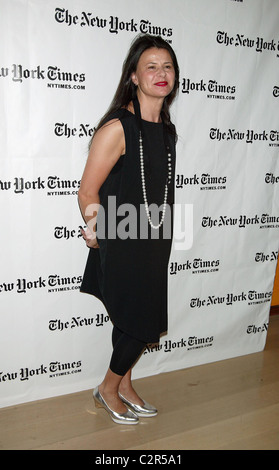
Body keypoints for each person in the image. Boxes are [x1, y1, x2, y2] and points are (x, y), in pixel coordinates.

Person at [78, 34, 179, 425]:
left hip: (154, 238)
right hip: (120, 240)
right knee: (138, 321)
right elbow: (88, 190)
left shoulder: (166, 130)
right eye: (150, 66)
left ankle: (124, 384)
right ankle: (107, 387)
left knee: (135, 318)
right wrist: (95, 227)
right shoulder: (119, 127)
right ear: (134, 77)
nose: (160, 73)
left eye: (167, 66)